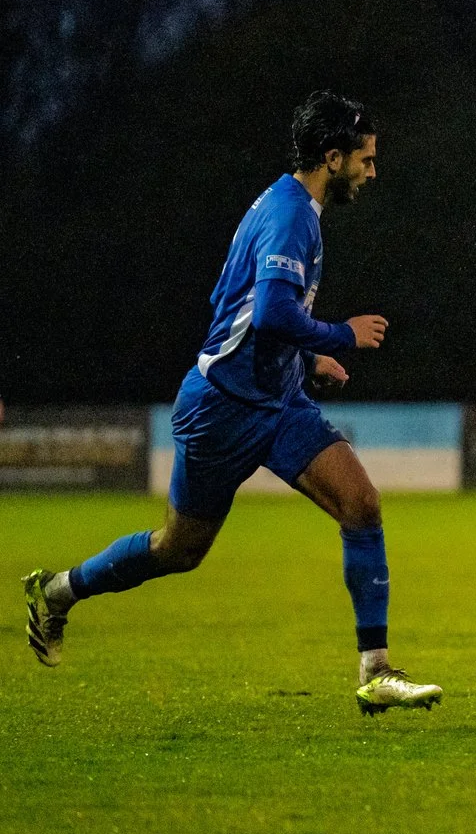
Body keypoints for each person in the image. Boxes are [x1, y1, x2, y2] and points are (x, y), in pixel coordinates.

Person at [19, 93, 440, 714]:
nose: (372, 173)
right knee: (177, 550)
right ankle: (57, 592)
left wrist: (307, 361)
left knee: (361, 504)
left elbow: (255, 314)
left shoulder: (294, 205)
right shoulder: (292, 214)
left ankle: (375, 672)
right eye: (366, 161)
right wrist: (338, 336)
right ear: (333, 158)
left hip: (277, 400)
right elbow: (270, 313)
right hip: (222, 406)